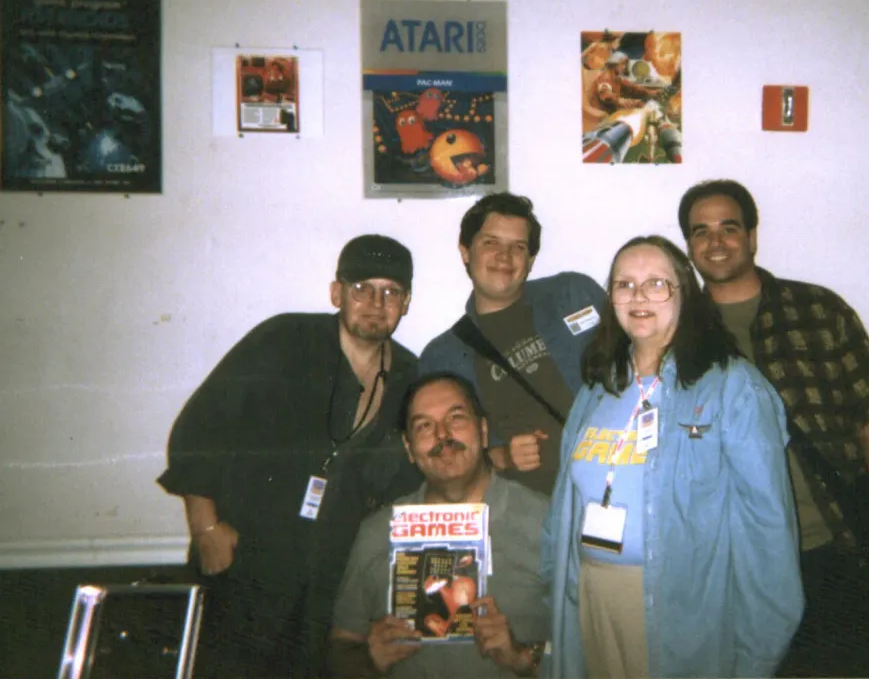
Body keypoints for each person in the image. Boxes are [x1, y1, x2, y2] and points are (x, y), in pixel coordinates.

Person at [677, 179, 869, 677]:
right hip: (738, 564)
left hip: (839, 547)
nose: (716, 242)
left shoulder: (818, 310)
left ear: (752, 237)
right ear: (688, 247)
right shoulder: (677, 333)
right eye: (701, 232)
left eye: (729, 227)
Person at [156, 234, 424, 678]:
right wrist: (204, 526)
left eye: (391, 292)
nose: (376, 302)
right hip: (245, 563)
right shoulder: (283, 340)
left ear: (407, 301)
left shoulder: (412, 376)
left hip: (333, 585)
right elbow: (200, 427)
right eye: (361, 288)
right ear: (336, 292)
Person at [541, 235, 804, 679]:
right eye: (624, 284)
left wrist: (759, 652)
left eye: (657, 283)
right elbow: (562, 507)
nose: (639, 296)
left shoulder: (732, 387)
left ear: (686, 295)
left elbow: (768, 527)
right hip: (592, 597)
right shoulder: (597, 386)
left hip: (685, 610)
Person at [328, 372, 550, 678]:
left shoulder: (546, 521)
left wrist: (523, 657)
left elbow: (591, 646)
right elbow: (341, 646)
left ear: (483, 432)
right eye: (424, 426)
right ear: (409, 448)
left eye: (456, 418)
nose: (442, 435)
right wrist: (369, 661)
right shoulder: (377, 531)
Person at [419, 192, 606, 496]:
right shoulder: (442, 357)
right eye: (491, 243)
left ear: (530, 260)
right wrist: (500, 457)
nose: (504, 257)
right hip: (525, 514)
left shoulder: (573, 295)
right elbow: (437, 459)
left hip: (608, 484)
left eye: (518, 247)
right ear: (465, 252)